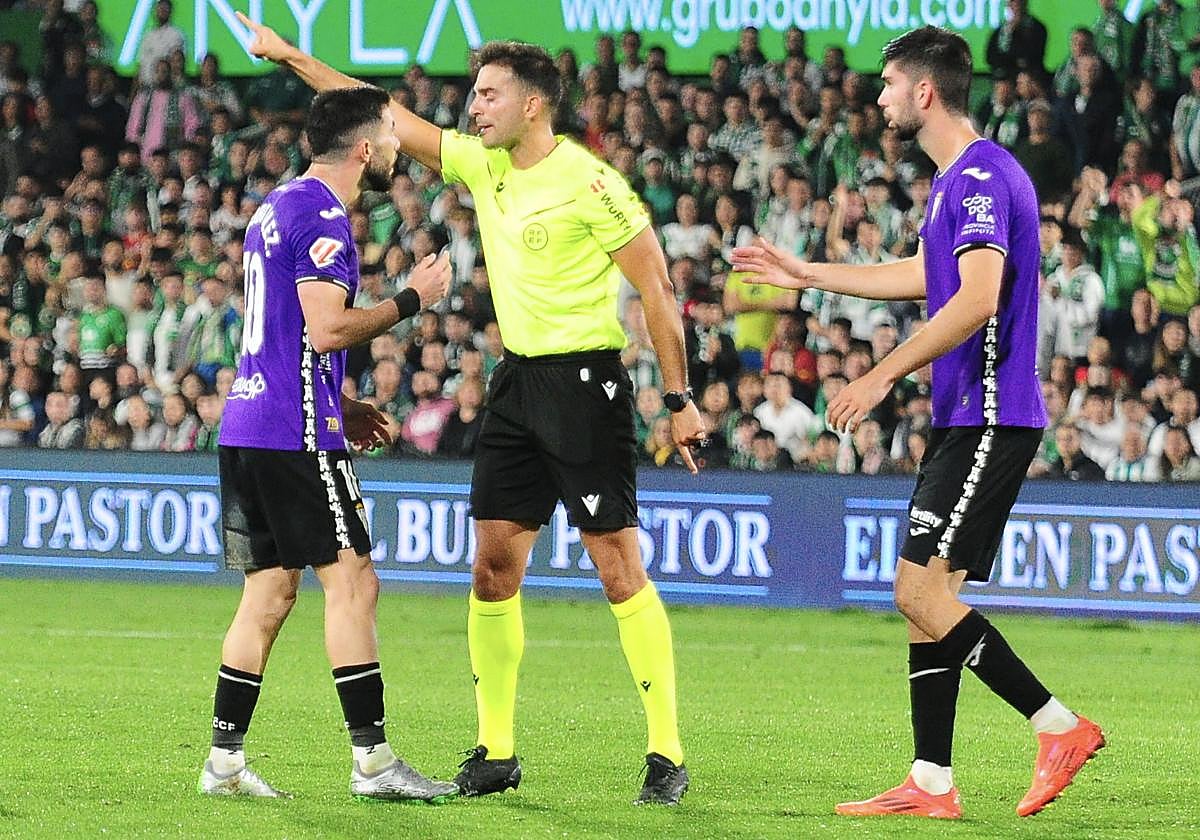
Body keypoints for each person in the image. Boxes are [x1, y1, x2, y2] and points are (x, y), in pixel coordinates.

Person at [239, 13, 706, 805]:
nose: (473, 107)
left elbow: (658, 288)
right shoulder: (481, 168)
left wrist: (679, 397)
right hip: (517, 387)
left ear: (532, 105)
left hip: (588, 387)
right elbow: (373, 111)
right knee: (492, 567)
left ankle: (666, 753)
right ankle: (496, 750)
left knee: (616, 565)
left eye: (488, 94)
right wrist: (289, 56)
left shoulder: (592, 184)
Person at [733, 26, 1104, 821]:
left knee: (918, 592)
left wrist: (879, 372)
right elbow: (922, 277)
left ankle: (1059, 727)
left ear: (924, 92)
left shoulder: (977, 177)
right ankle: (932, 780)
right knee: (926, 594)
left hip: (991, 415)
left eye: (888, 85)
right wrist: (809, 274)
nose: (879, 98)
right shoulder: (956, 182)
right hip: (968, 416)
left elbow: (973, 299)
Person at [202, 85, 455, 801]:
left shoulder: (275, 207)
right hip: (295, 435)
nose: (400, 153)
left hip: (251, 421)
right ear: (365, 148)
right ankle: (373, 762)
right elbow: (326, 329)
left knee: (270, 594)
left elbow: (284, 332)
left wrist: (344, 399)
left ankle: (223, 763)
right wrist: (413, 298)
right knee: (353, 583)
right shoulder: (323, 216)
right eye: (392, 141)